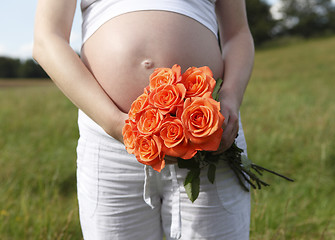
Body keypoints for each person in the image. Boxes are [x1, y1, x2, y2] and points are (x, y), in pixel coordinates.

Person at [33, 0, 254, 239]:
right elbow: (47, 39)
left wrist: (230, 97)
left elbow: (238, 34)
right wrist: (116, 125)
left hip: (210, 138)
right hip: (110, 149)